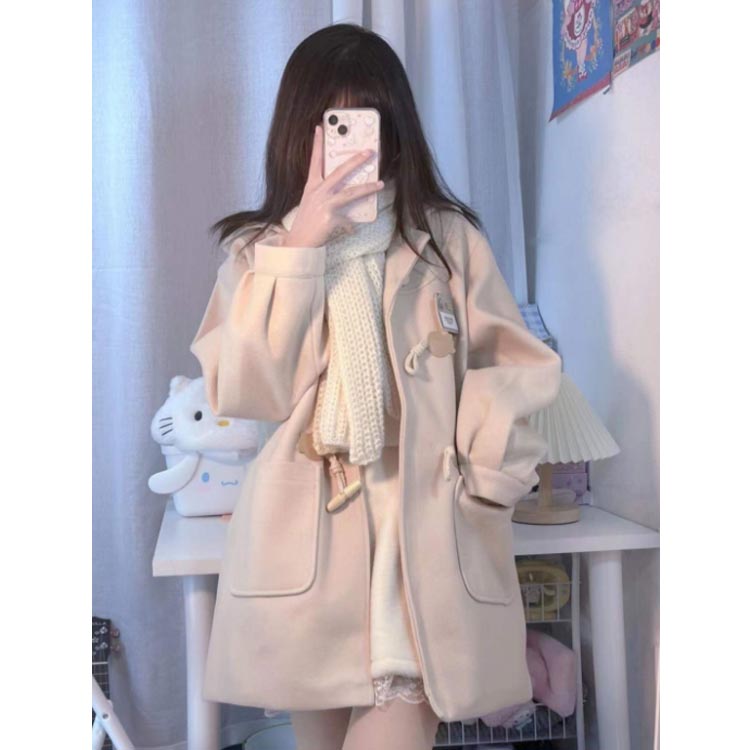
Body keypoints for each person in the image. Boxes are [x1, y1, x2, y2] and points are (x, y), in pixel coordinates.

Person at [190, 22, 562, 750]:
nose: (354, 142)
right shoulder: (259, 252)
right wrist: (302, 244)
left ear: (395, 129)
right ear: (300, 131)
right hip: (310, 554)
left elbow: (512, 367)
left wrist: (485, 484)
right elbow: (247, 389)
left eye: (368, 120)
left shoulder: (447, 240)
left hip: (422, 539)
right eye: (332, 124)